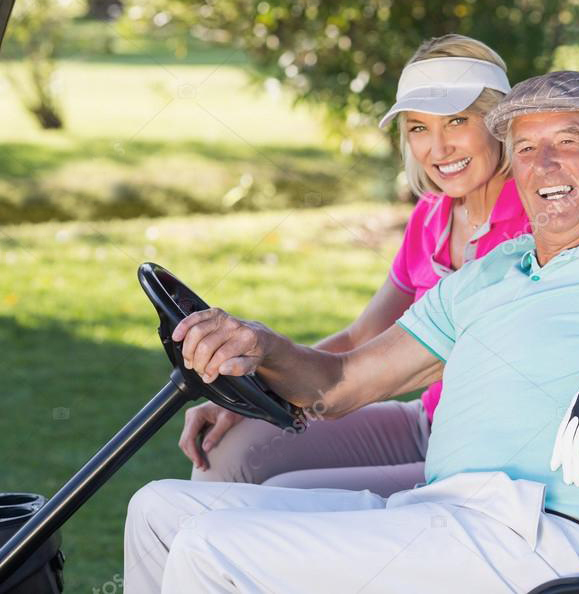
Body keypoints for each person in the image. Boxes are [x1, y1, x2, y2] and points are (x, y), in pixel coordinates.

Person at [125, 71, 579, 593]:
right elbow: (341, 384)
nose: (544, 166)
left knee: (214, 547)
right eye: (525, 150)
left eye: (567, 142)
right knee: (159, 510)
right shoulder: (496, 268)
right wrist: (261, 346)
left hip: (545, 534)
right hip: (445, 512)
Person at [180, 34, 530, 495]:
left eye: (457, 121)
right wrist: (260, 397)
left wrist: (288, 381)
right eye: (418, 128)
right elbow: (362, 337)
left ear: (500, 120)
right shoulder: (432, 217)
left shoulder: (537, 220)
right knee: (231, 450)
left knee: (286, 496)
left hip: (491, 457)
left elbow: (367, 374)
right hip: (428, 422)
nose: (437, 148)